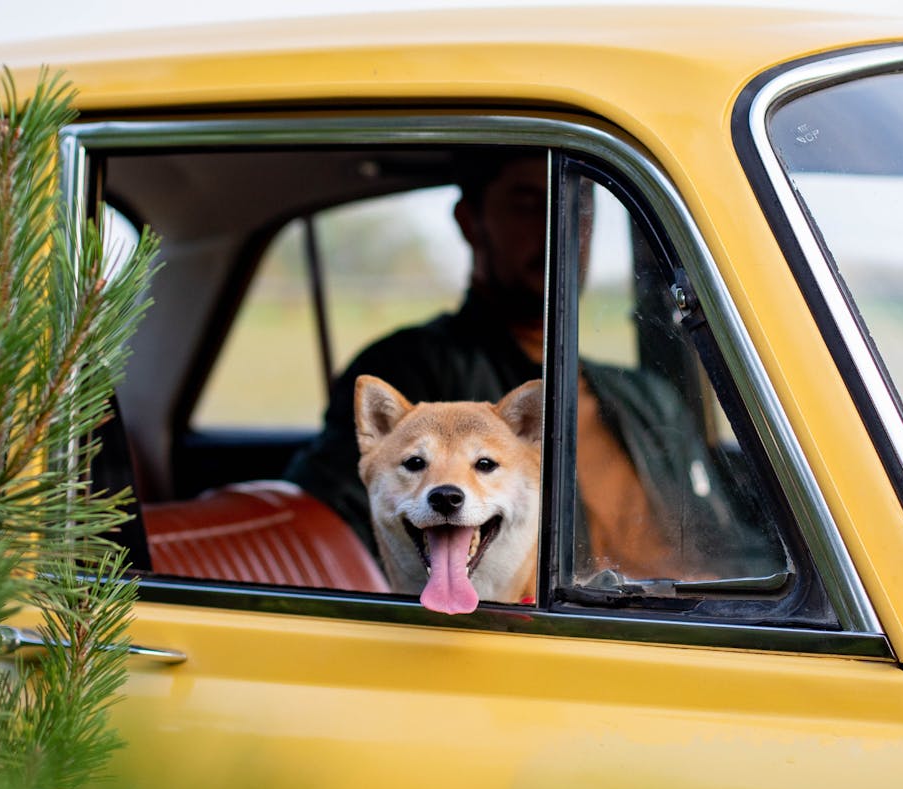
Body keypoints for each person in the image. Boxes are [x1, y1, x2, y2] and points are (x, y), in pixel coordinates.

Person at [285, 148, 773, 585]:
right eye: (527, 204)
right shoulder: (413, 370)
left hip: (691, 626)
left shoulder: (648, 397)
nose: (557, 227)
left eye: (577, 206)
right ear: (471, 222)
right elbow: (336, 520)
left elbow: (728, 540)